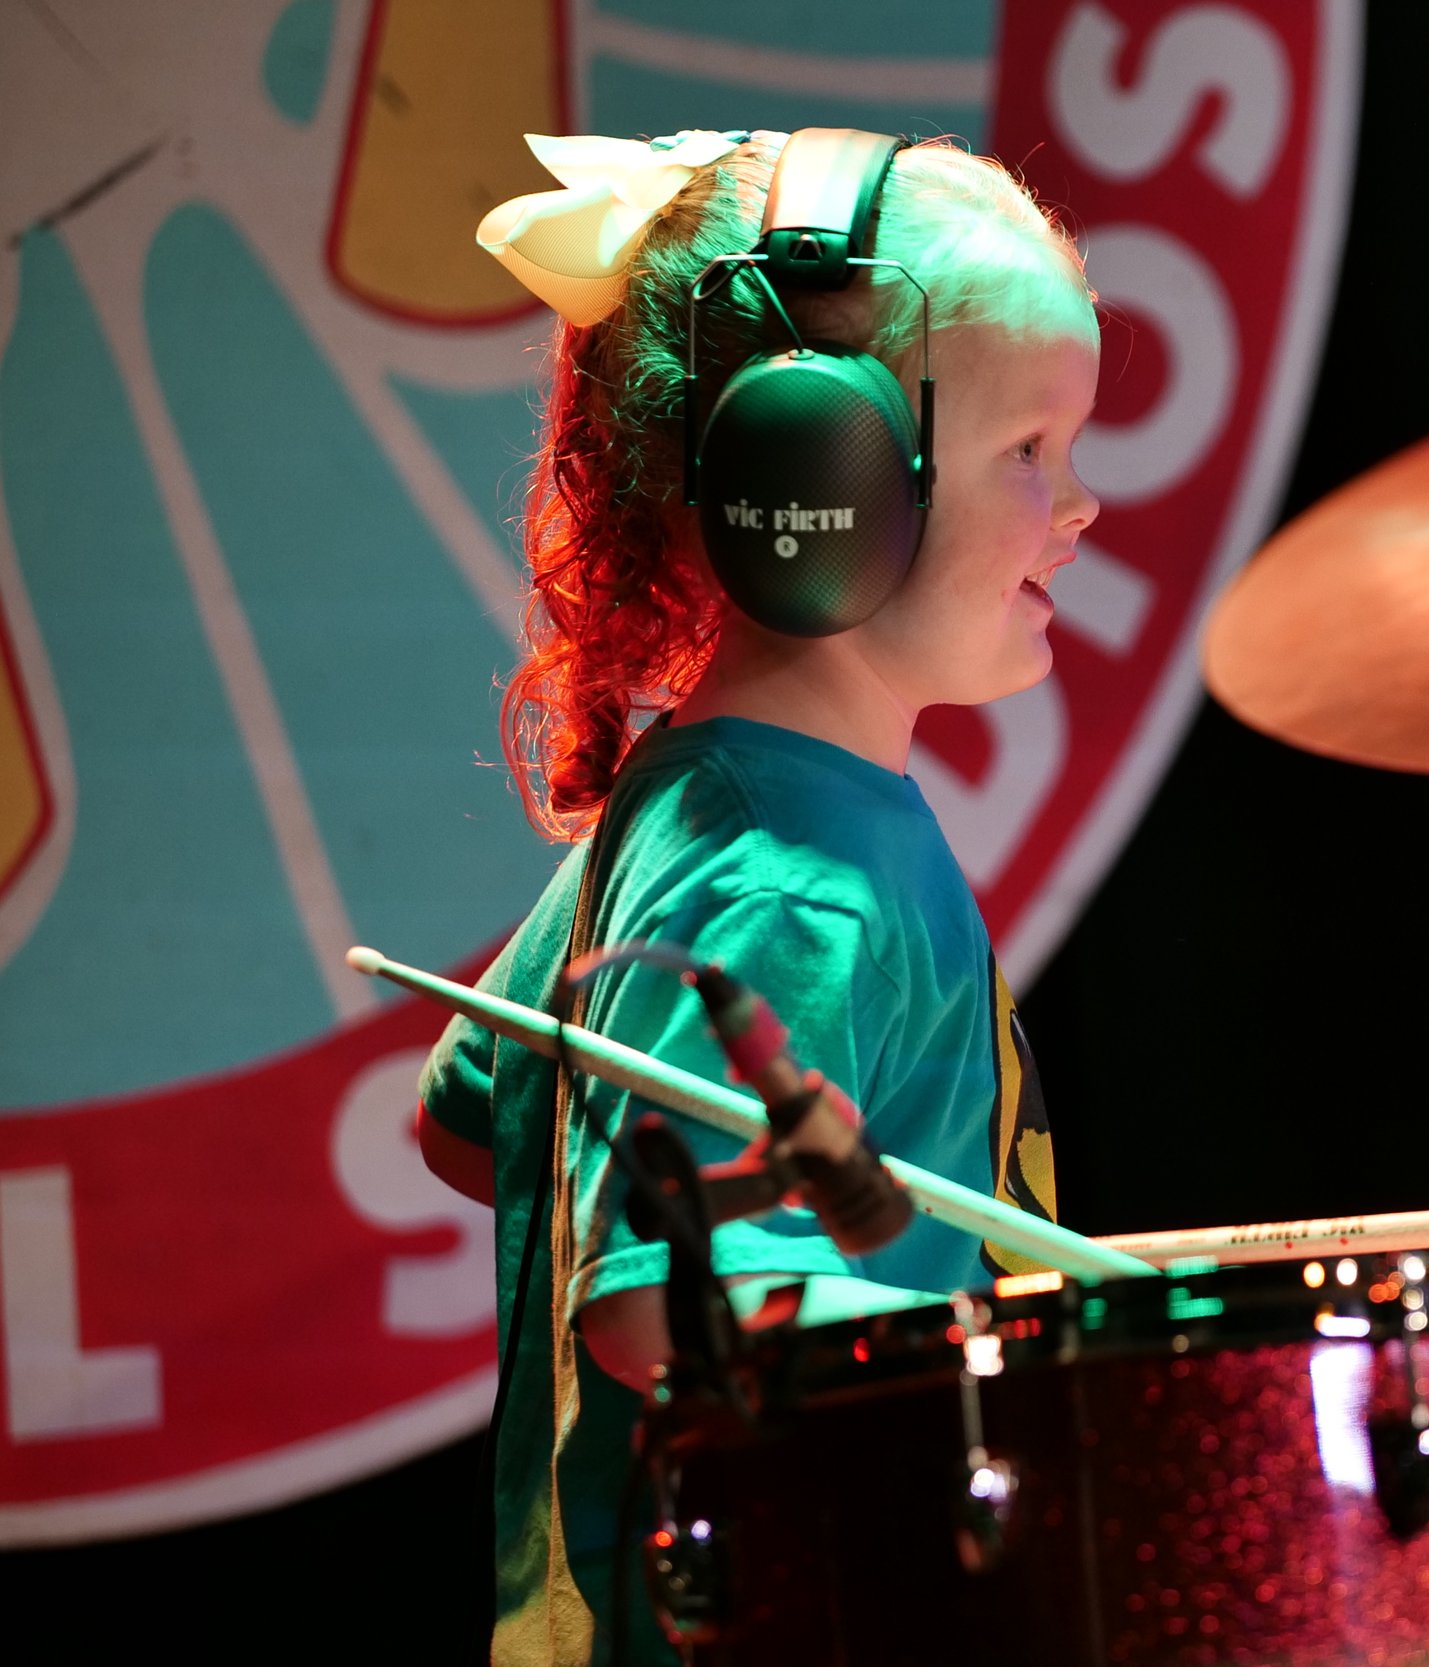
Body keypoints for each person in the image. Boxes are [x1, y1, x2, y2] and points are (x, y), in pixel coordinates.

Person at [415, 127, 1100, 1666]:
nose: (1082, 504)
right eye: (1029, 451)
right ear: (828, 471)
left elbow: (474, 1121)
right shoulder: (793, 878)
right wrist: (1019, 1380)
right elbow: (661, 1316)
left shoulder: (701, 804)